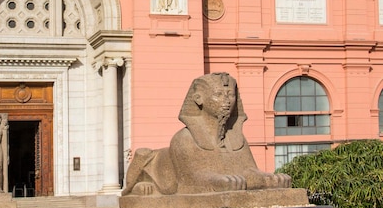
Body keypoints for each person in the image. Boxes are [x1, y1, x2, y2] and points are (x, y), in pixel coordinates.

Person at [122, 73, 291, 196]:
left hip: (217, 178)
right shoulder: (184, 138)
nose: (227, 101)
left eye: (230, 95)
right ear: (198, 99)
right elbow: (190, 182)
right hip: (160, 176)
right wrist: (217, 182)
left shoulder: (236, 137)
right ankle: (136, 185)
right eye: (218, 95)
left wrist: (267, 179)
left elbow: (249, 171)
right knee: (143, 153)